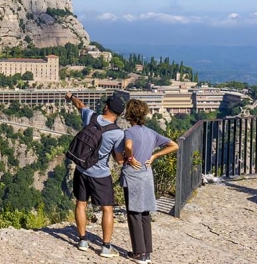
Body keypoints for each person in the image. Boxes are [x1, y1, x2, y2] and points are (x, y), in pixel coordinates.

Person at [117, 99, 179, 264]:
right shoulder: (151, 133)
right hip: (146, 174)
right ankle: (147, 252)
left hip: (133, 175)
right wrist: (154, 155)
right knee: (145, 213)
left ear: (129, 114)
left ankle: (139, 253)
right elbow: (174, 145)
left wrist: (130, 157)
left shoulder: (129, 132)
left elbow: (128, 145)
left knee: (133, 213)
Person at [65, 91, 126, 258]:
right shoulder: (118, 133)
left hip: (81, 169)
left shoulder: (91, 117)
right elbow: (119, 159)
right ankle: (106, 247)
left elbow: (80, 105)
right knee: (107, 209)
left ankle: (82, 240)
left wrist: (70, 97)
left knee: (81, 204)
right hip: (100, 174)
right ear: (119, 114)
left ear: (106, 107)